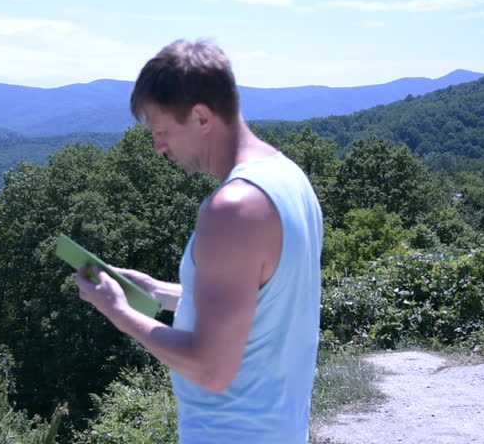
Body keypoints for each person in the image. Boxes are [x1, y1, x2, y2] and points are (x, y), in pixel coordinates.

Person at [74, 39, 323, 443]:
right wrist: (154, 292)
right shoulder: (288, 179)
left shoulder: (233, 209)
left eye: (162, 131)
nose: (158, 148)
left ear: (202, 117)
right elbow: (256, 304)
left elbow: (211, 368)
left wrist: (118, 311)